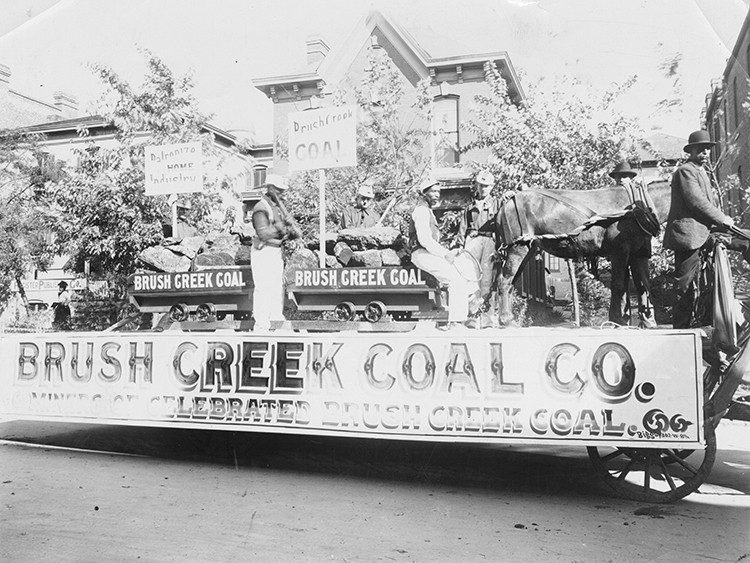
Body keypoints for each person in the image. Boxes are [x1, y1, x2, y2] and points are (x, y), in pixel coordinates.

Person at [664, 130, 750, 329]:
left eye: (707, 150)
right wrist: (723, 218)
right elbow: (696, 202)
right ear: (691, 151)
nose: (704, 153)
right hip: (690, 235)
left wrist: (723, 222)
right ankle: (681, 331)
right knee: (684, 284)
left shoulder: (702, 172)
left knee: (746, 238)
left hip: (707, 231)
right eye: (700, 150)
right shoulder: (686, 171)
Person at [409, 176, 479, 329]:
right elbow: (425, 240)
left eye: (438, 192)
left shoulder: (428, 210)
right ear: (424, 193)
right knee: (456, 280)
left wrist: (449, 252)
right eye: (432, 191)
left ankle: (471, 307)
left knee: (464, 265)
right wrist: (445, 254)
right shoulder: (421, 210)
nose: (436, 195)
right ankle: (456, 321)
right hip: (421, 254)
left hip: (427, 252)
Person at [608, 162, 657, 328]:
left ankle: (648, 319)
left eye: (624, 176)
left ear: (630, 178)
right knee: (619, 282)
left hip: (639, 249)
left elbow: (650, 219)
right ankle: (620, 320)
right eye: (618, 177)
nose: (621, 180)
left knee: (642, 283)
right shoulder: (611, 197)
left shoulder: (640, 194)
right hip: (619, 248)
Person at [251, 174, 295, 331]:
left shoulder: (277, 207)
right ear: (270, 189)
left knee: (277, 286)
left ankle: (276, 319)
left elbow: (289, 232)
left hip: (276, 250)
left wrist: (288, 229)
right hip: (263, 250)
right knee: (263, 287)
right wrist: (282, 227)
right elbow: (263, 233)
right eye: (278, 190)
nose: (282, 193)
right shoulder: (260, 207)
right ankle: (261, 324)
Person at [458, 170, 498, 324]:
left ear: (492, 187)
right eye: (480, 185)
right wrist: (460, 246)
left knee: (487, 280)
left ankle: (487, 320)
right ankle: (472, 319)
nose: (483, 189)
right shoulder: (470, 207)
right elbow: (463, 227)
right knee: (471, 280)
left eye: (486, 186)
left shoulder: (497, 204)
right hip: (472, 241)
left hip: (489, 241)